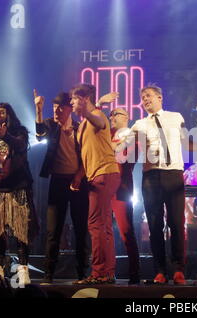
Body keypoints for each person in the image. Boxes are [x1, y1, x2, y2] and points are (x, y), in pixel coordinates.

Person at [129, 85, 187, 285]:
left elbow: (186, 140)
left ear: (160, 97)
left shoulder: (176, 117)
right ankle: (160, 270)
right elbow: (124, 142)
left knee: (177, 223)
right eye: (142, 97)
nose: (145, 99)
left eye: (148, 96)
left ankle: (178, 269)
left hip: (173, 173)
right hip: (150, 176)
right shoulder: (139, 124)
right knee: (155, 224)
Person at [0, 102, 39, 286]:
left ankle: (23, 271)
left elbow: (21, 146)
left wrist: (6, 136)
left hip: (18, 187)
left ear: (8, 115)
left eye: (2, 112)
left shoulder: (20, 131)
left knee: (22, 231)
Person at [34, 90, 89, 284]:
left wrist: (79, 175)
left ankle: (83, 273)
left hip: (78, 182)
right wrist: (38, 110)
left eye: (60, 108)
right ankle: (48, 274)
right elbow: (40, 134)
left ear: (69, 109)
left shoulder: (79, 127)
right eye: (54, 108)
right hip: (57, 181)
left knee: (81, 229)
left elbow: (86, 156)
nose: (56, 111)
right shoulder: (50, 124)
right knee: (53, 230)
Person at [71, 84, 120, 284]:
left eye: (74, 99)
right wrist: (79, 175)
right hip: (98, 175)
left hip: (104, 174)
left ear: (83, 99)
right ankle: (107, 272)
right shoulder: (83, 124)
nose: (72, 103)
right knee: (104, 226)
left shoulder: (97, 116)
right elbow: (87, 152)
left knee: (95, 225)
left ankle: (99, 273)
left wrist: (89, 110)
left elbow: (99, 121)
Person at [109, 107, 141, 284]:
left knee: (126, 231)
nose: (112, 117)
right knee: (103, 232)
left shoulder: (132, 137)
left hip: (122, 188)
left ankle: (134, 273)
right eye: (111, 114)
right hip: (103, 188)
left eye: (116, 114)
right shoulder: (105, 135)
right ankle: (105, 271)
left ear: (127, 117)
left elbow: (128, 160)